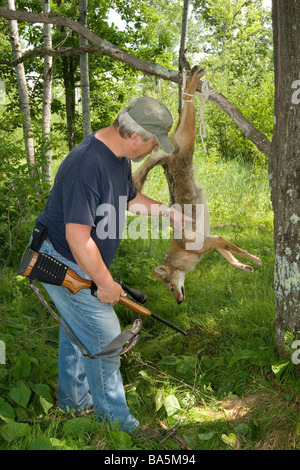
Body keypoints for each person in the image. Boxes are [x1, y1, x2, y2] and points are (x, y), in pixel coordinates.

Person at [34, 96, 190, 435]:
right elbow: (77, 237)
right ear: (135, 136)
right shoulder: (86, 164)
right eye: (151, 143)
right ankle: (120, 426)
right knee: (105, 338)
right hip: (61, 259)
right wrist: (105, 283)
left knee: (77, 330)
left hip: (77, 257)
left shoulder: (117, 155)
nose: (152, 151)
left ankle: (73, 404)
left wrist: (167, 210)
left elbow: (129, 198)